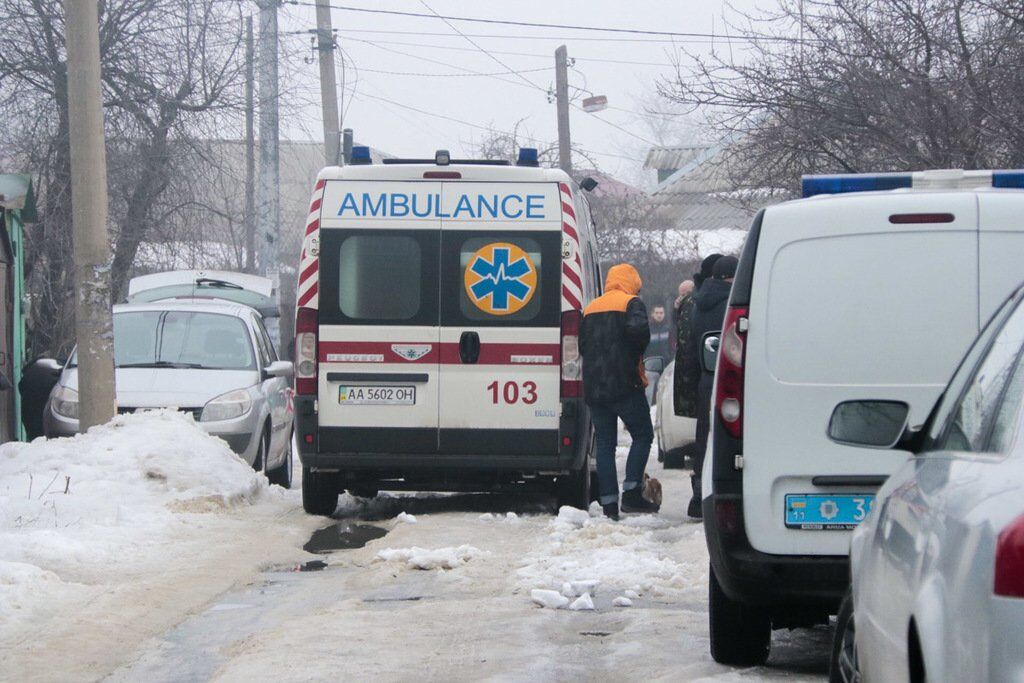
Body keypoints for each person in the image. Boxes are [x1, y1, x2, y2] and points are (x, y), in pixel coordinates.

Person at [579, 263, 659, 520]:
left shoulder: (591, 308)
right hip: (625, 385)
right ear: (632, 281)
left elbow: (582, 345)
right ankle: (633, 492)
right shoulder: (631, 303)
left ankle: (609, 504)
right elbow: (639, 334)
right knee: (643, 435)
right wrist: (631, 357)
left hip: (595, 387)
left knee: (604, 444)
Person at [682, 255, 738, 519]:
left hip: (705, 378)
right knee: (730, 437)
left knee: (704, 437)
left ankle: (698, 495)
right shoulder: (733, 302)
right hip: (733, 377)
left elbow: (689, 348)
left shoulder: (698, 304)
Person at [674, 255, 722, 418]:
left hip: (702, 382)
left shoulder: (696, 302)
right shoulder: (695, 303)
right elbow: (687, 348)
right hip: (707, 379)